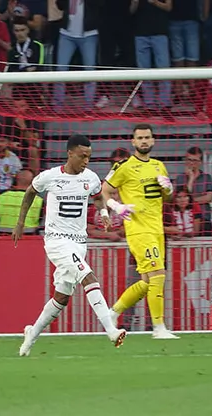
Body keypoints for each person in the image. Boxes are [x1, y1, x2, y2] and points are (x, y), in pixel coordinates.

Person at [12, 134, 126, 356]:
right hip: (56, 241)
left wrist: (103, 213)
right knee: (88, 276)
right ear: (70, 153)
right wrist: (20, 222)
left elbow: (97, 197)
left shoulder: (91, 178)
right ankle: (111, 330)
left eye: (89, 157)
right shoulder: (51, 176)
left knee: (62, 297)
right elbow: (30, 192)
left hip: (79, 243)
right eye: (82, 156)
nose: (86, 161)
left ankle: (31, 334)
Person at [102, 123, 179, 340]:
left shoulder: (159, 166)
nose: (144, 141)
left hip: (157, 230)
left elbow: (167, 198)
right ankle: (159, 328)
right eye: (140, 138)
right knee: (158, 275)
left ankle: (112, 313)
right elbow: (104, 189)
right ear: (133, 141)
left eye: (147, 137)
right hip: (138, 229)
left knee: (147, 282)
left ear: (153, 140)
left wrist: (168, 189)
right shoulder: (124, 166)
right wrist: (116, 206)